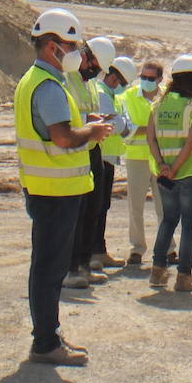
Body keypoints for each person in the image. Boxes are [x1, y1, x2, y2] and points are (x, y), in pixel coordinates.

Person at [15, 9, 111, 366]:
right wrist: (93, 132)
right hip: (55, 193)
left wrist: (86, 123)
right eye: (72, 46)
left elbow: (59, 127)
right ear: (53, 47)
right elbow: (63, 137)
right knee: (49, 269)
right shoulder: (49, 85)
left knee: (47, 267)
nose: (78, 54)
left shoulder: (38, 80)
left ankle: (47, 337)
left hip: (47, 190)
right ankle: (45, 343)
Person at [146, 55, 192, 292]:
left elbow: (150, 138)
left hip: (164, 174)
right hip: (188, 171)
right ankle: (184, 276)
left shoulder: (159, 104)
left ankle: (157, 270)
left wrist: (163, 165)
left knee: (168, 220)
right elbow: (191, 141)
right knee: (188, 225)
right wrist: (176, 168)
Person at [62, 36, 112, 288]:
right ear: (85, 56)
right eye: (93, 65)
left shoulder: (89, 83)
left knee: (93, 208)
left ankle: (83, 264)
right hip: (74, 151)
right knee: (77, 214)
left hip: (92, 151)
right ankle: (70, 269)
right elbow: (65, 115)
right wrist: (88, 118)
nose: (94, 72)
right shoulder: (67, 78)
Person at [88, 50, 134, 271]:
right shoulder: (102, 93)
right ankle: (91, 252)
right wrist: (123, 123)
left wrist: (122, 123)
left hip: (109, 157)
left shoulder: (111, 95)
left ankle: (99, 250)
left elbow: (123, 124)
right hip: (100, 155)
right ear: (115, 79)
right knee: (95, 206)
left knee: (102, 205)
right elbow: (115, 125)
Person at [121, 59, 168, 266]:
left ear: (159, 79)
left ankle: (168, 248)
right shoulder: (128, 96)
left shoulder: (168, 96)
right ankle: (137, 249)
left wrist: (142, 129)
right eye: (143, 77)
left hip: (161, 158)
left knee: (165, 206)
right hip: (136, 157)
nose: (146, 82)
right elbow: (126, 129)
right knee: (135, 207)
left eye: (150, 78)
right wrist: (148, 130)